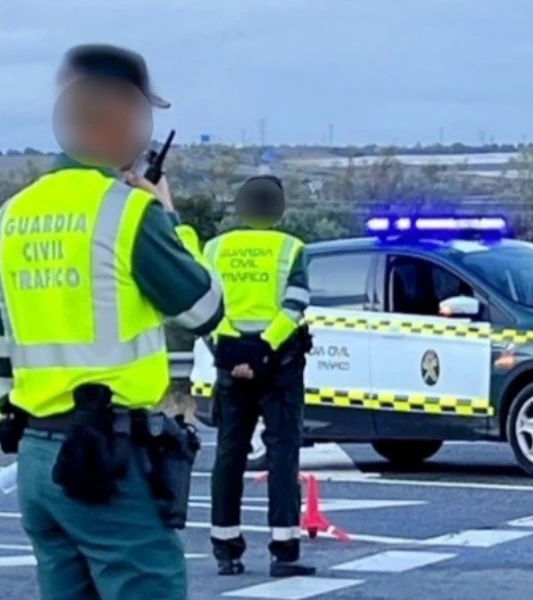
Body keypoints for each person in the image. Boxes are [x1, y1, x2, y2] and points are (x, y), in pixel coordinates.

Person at [0, 44, 224, 599]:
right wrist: (169, 218)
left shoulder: (13, 215)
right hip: (110, 462)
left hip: (37, 455)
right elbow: (203, 310)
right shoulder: (127, 212)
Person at [206, 175, 314, 578]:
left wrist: (231, 354)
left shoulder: (215, 248)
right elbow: (295, 306)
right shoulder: (290, 248)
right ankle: (284, 551)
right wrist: (264, 350)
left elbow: (205, 306)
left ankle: (225, 551)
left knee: (229, 455)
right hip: (279, 367)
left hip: (231, 366)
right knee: (283, 455)